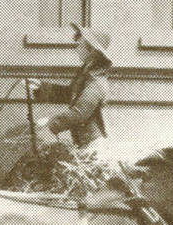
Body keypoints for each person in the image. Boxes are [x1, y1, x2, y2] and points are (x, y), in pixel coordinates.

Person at [24, 22, 112, 152]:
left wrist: (51, 123)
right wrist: (40, 87)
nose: (76, 49)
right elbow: (69, 94)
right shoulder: (86, 76)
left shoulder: (96, 83)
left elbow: (80, 112)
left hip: (92, 147)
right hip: (83, 144)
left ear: (92, 51)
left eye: (80, 45)